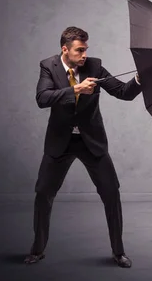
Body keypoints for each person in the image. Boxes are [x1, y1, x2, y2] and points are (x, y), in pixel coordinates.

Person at [24, 26, 142, 268]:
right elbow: (42, 98)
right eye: (80, 50)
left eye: (86, 49)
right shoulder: (49, 65)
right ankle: (37, 250)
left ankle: (118, 252)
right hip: (60, 142)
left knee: (111, 193)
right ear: (65, 49)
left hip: (92, 142)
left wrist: (139, 79)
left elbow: (123, 92)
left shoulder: (95, 66)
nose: (84, 54)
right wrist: (76, 89)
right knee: (43, 194)